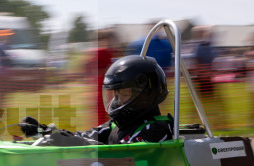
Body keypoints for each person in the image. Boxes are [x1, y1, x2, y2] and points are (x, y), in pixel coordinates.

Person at [20, 55, 173, 145]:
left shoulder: (156, 129)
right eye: (116, 94)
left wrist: (62, 140)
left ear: (145, 95)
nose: (118, 101)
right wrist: (45, 132)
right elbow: (85, 137)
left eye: (124, 95)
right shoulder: (117, 125)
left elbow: (119, 155)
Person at [83, 28, 116, 126]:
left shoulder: (94, 52)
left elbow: (87, 68)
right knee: (108, 113)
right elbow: (109, 69)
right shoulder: (104, 52)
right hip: (105, 88)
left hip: (100, 89)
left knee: (102, 115)